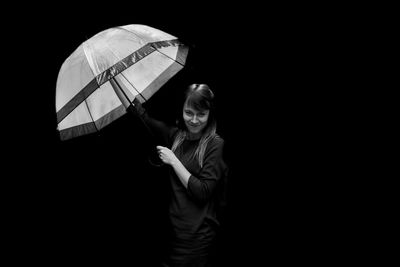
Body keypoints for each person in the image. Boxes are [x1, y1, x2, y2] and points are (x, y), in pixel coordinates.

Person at [130, 83, 228, 267]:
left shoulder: (215, 144)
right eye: (189, 112)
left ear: (210, 114)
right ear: (181, 110)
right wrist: (132, 102)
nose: (194, 120)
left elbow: (203, 192)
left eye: (201, 114)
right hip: (171, 237)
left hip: (196, 241)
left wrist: (174, 160)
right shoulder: (176, 137)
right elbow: (146, 119)